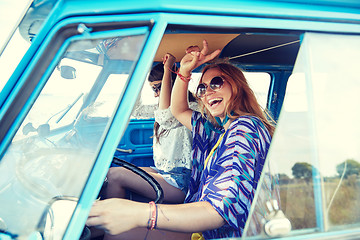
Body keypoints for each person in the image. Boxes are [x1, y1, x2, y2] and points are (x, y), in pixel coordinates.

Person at [86, 40, 275, 240]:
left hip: (226, 233)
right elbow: (177, 111)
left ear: (236, 85)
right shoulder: (219, 128)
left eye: (216, 83)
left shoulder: (244, 129)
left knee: (118, 235)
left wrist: (139, 213)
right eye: (202, 89)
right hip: (208, 225)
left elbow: (218, 211)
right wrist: (184, 72)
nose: (207, 91)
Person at [105, 53, 195, 204]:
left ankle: (104, 226)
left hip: (181, 181)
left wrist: (167, 72)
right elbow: (136, 110)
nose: (155, 95)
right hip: (164, 172)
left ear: (172, 84)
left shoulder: (190, 110)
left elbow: (165, 117)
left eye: (158, 88)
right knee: (108, 173)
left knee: (115, 176)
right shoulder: (165, 110)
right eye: (153, 89)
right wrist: (140, 75)